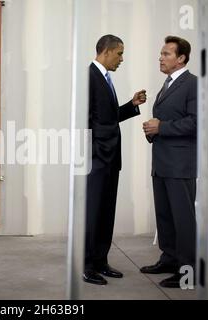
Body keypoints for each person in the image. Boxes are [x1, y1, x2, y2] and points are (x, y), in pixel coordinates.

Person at [84, 35, 147, 285]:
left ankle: (101, 261)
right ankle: (87, 265)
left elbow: (106, 118)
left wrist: (131, 105)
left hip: (110, 159)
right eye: (119, 53)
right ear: (107, 51)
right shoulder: (89, 76)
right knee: (93, 213)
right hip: (97, 159)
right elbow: (84, 120)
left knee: (106, 212)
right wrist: (95, 152)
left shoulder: (105, 79)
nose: (122, 59)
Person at [141, 36, 197, 288]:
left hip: (180, 164)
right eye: (161, 54)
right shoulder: (168, 83)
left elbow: (197, 123)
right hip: (162, 161)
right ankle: (169, 258)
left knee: (182, 218)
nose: (160, 58)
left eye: (166, 54)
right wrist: (154, 130)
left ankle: (188, 271)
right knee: (165, 215)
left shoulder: (192, 84)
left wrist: (161, 126)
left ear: (181, 58)